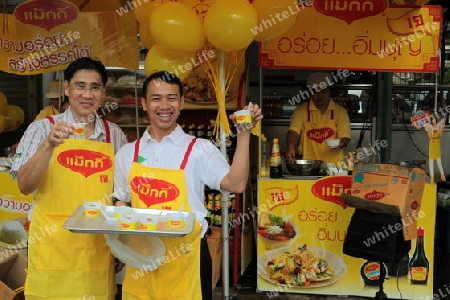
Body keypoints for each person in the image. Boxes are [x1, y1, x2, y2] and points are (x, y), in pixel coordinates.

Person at [112, 71, 262, 300]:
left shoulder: (200, 149)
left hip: (188, 258)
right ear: (144, 104)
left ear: (181, 103)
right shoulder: (127, 154)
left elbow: (237, 184)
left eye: (171, 98)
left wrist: (243, 135)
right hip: (142, 258)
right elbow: (122, 200)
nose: (164, 105)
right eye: (156, 98)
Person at [10, 57, 128, 300]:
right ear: (67, 88)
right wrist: (48, 145)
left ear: (103, 92)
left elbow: (121, 196)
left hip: (97, 252)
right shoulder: (41, 129)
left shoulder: (113, 135)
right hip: (53, 248)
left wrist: (122, 243)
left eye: (95, 87)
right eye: (80, 85)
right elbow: (24, 185)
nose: (87, 94)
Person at [286, 72, 351, 163]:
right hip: (309, 166)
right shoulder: (300, 111)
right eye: (315, 91)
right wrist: (290, 146)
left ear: (330, 91)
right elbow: (293, 132)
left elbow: (345, 137)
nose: (320, 95)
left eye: (323, 91)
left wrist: (341, 143)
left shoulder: (340, 112)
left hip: (333, 167)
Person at [424, 114, 446, 184]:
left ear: (436, 119)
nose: (433, 120)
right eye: (432, 119)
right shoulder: (429, 126)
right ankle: (432, 177)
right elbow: (429, 135)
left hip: (437, 143)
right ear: (431, 121)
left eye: (434, 119)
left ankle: (442, 174)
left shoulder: (439, 125)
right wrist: (427, 130)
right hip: (432, 143)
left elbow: (443, 121)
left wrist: (444, 118)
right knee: (431, 161)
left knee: (438, 160)